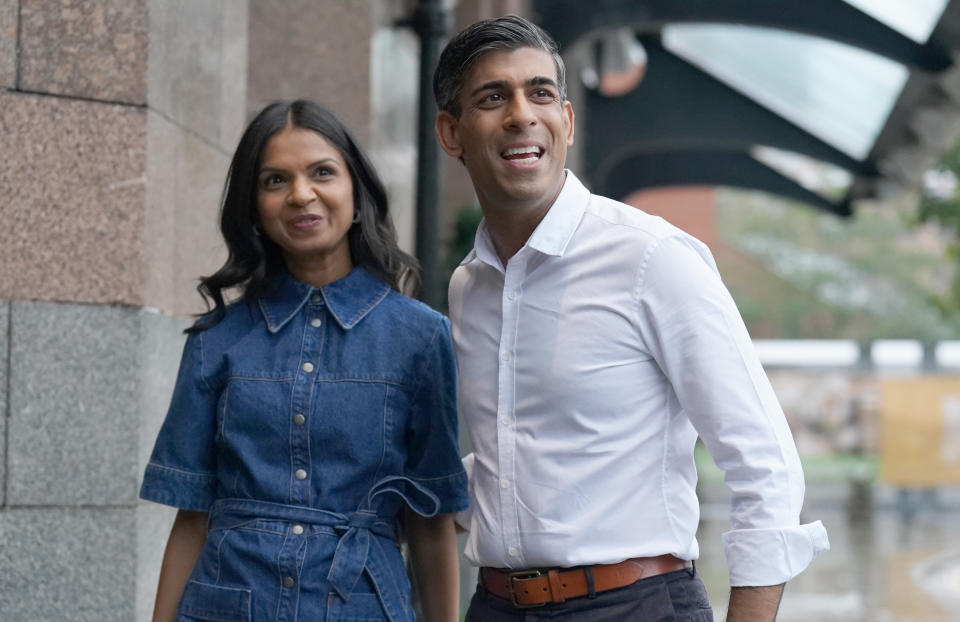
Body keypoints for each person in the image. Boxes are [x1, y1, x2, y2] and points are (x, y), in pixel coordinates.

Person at [434, 15, 829, 622]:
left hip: (635, 606)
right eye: (493, 98)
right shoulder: (471, 286)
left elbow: (764, 464)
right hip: (496, 605)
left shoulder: (652, 259)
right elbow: (515, 449)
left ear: (566, 121)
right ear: (451, 133)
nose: (520, 114)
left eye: (540, 93)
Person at [140, 100, 467, 622]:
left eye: (322, 172)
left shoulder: (421, 338)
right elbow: (192, 516)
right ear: (254, 209)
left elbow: (432, 521)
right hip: (227, 603)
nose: (300, 194)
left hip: (361, 605)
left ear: (356, 195)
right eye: (275, 180)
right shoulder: (216, 340)